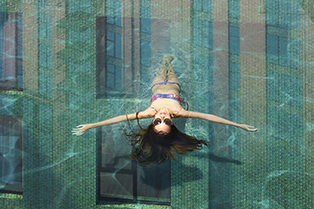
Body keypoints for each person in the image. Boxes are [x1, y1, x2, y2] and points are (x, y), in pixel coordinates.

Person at [72, 56, 257, 165]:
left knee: (162, 69)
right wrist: (238, 124)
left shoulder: (149, 112)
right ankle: (169, 62)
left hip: (157, 85)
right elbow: (210, 117)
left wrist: (92, 125)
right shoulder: (180, 113)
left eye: (157, 123)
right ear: (173, 125)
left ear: (152, 123)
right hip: (175, 85)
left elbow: (120, 118)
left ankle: (164, 61)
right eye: (166, 123)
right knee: (172, 70)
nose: (161, 117)